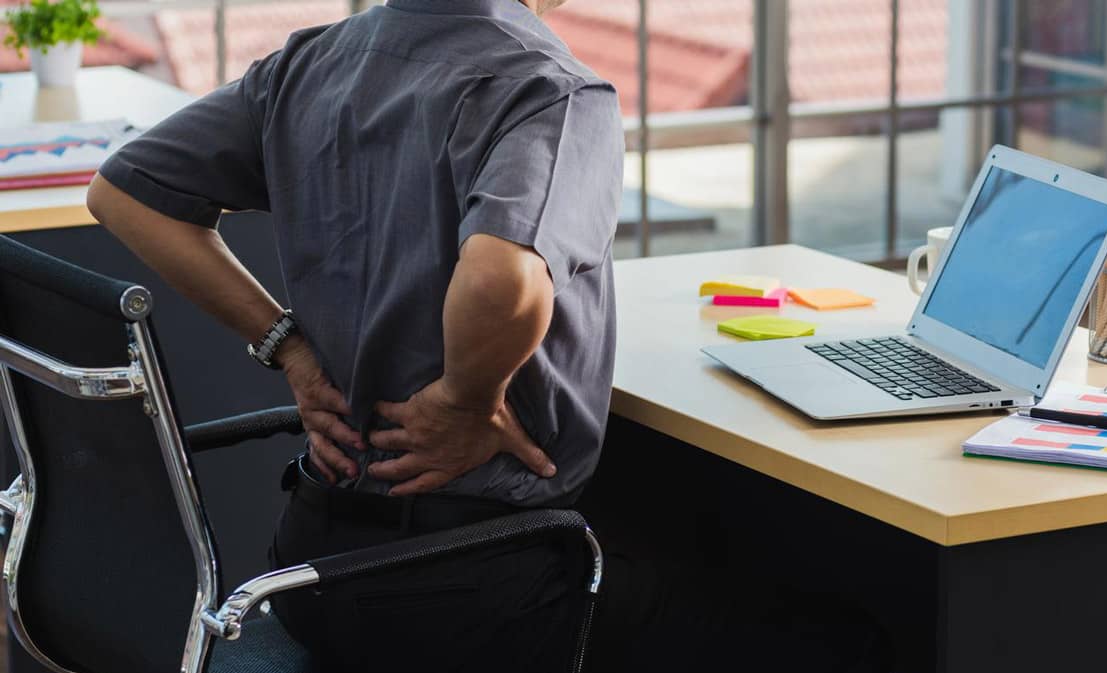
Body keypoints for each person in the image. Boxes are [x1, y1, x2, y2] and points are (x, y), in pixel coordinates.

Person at [86, 0, 891, 671]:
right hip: (475, 594)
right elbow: (502, 276)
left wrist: (285, 345)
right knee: (844, 640)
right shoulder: (548, 90)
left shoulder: (313, 62)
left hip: (312, 573)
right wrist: (464, 401)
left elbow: (124, 191)